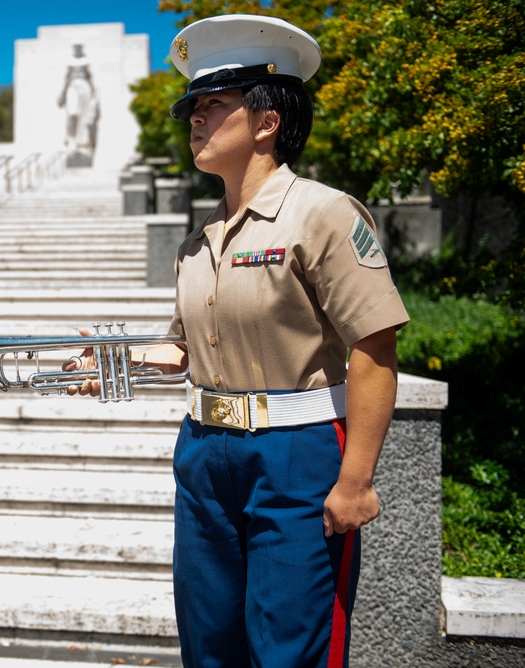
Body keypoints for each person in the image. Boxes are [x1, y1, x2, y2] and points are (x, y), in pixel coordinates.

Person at [65, 15, 409, 667]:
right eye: (192, 108)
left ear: (266, 121)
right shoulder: (200, 239)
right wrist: (117, 360)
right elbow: (184, 351)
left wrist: (357, 478)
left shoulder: (324, 214)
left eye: (213, 106)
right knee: (210, 647)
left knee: (288, 651)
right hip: (203, 454)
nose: (194, 119)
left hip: (297, 456)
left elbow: (374, 348)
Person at [57, 43, 99, 155]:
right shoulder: (69, 62)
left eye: (79, 47)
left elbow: (90, 77)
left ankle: (83, 142)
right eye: (75, 47)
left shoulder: (86, 61)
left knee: (84, 116)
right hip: (73, 86)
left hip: (84, 87)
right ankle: (70, 138)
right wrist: (62, 93)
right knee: (72, 113)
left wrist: (94, 94)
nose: (77, 49)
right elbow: (67, 78)